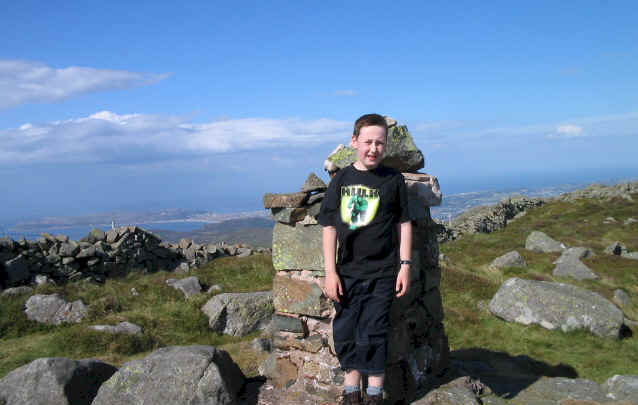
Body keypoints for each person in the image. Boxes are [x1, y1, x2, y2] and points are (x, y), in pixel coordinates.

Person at [318, 113, 413, 405]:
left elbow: (404, 223)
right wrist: (330, 273)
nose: (373, 148)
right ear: (354, 142)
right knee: (345, 331)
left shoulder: (393, 180)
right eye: (368, 142)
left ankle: (374, 396)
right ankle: (351, 393)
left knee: (374, 331)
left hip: (383, 272)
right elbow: (330, 227)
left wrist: (405, 266)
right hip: (346, 272)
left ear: (386, 146)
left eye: (380, 143)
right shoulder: (342, 179)